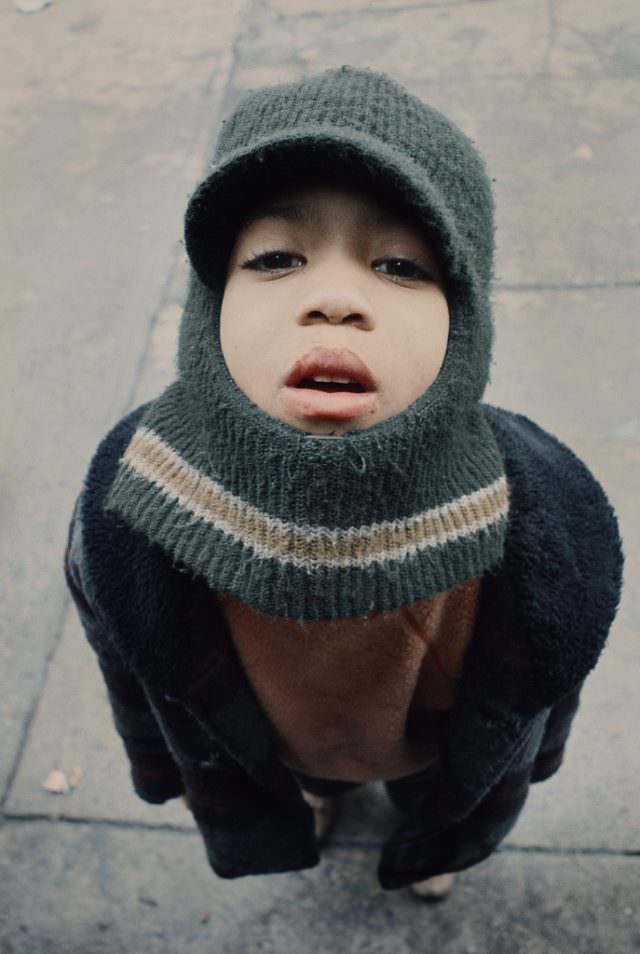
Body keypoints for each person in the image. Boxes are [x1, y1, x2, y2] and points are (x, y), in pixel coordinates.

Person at [64, 66, 624, 900]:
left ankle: (421, 829)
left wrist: (504, 782)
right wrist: (163, 768)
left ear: (464, 321)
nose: (333, 298)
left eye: (399, 266)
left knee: (421, 791)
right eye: (277, 257)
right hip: (279, 744)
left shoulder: (547, 518)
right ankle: (318, 795)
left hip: (425, 747)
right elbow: (132, 672)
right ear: (210, 302)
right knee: (309, 771)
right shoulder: (131, 504)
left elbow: (545, 692)